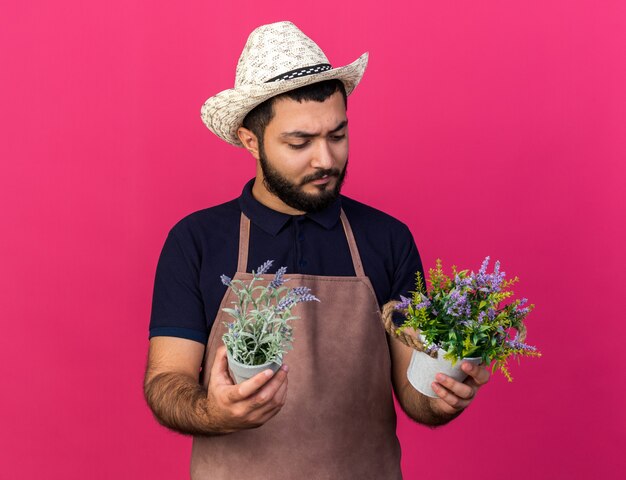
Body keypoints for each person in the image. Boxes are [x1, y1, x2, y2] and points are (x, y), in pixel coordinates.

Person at [144, 21, 490, 479]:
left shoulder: (387, 238)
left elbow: (416, 395)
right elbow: (166, 381)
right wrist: (214, 412)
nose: (325, 159)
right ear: (252, 140)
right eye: (299, 142)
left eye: (337, 135)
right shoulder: (197, 240)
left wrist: (443, 394)